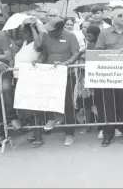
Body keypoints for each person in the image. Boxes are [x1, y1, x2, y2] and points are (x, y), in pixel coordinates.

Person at [33, 17, 81, 147]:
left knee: (68, 104)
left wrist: (66, 63)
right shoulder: (46, 36)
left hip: (67, 74)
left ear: (60, 30)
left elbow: (76, 54)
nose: (48, 32)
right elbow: (44, 53)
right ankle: (51, 119)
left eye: (51, 30)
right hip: (50, 74)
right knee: (49, 100)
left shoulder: (71, 36)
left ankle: (69, 133)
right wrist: (39, 61)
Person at [94, 7, 123, 147]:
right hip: (109, 75)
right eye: (120, 15)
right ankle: (108, 134)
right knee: (108, 105)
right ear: (113, 18)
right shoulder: (104, 33)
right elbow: (97, 51)